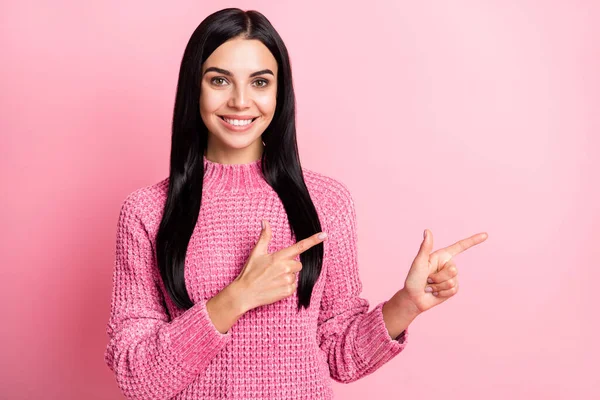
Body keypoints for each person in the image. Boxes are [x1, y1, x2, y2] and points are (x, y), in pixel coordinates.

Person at [103, 7, 488, 400]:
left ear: (279, 92)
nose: (240, 101)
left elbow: (340, 356)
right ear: (194, 88)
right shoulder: (147, 212)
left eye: (259, 82)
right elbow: (138, 377)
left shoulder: (326, 202)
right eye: (219, 80)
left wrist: (407, 304)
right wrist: (236, 298)